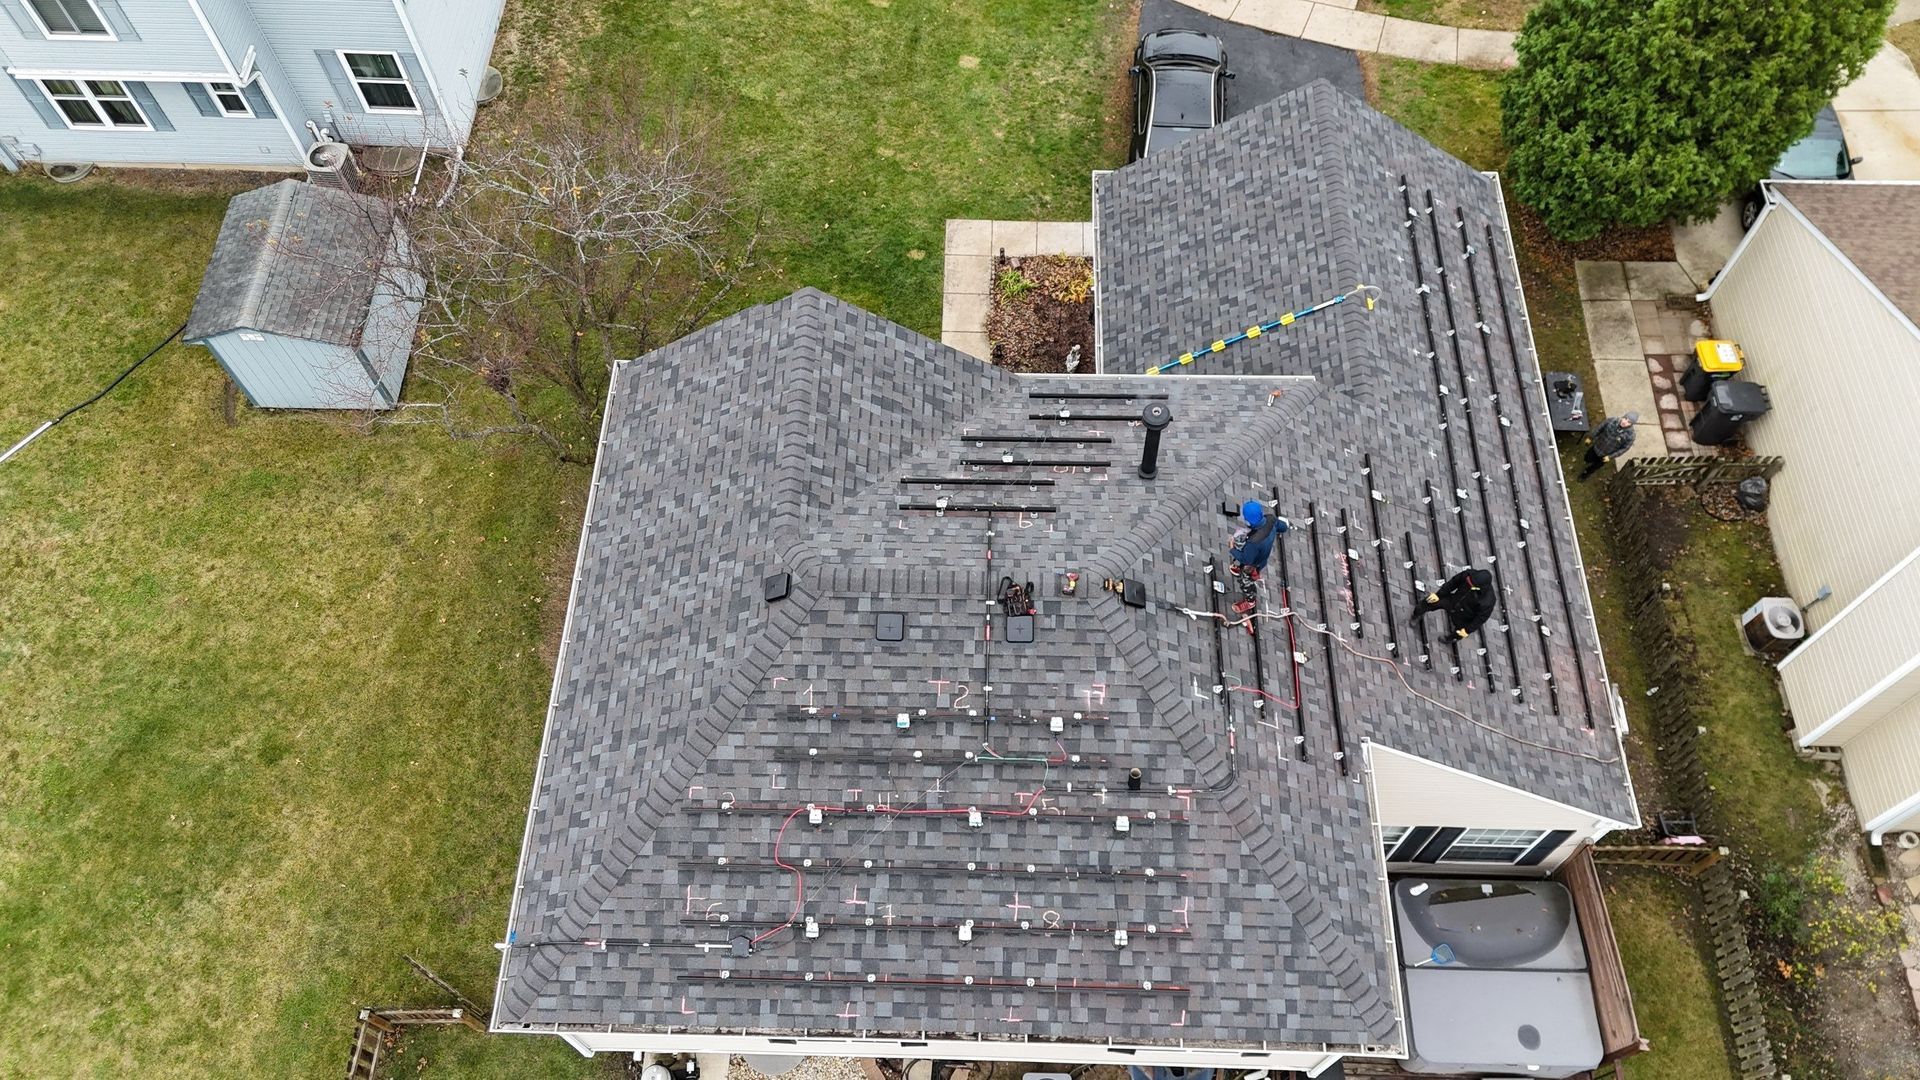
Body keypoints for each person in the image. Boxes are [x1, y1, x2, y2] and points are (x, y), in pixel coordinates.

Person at [1229, 500, 1289, 614]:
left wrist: (1232, 548)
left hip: (1254, 564)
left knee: (1245, 580)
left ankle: (1250, 601)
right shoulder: (1270, 519)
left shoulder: (1254, 543)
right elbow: (1282, 526)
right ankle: (1241, 570)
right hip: (1260, 556)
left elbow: (1246, 559)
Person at [1409, 567, 1497, 640]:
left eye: (1471, 583)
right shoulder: (1469, 574)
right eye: (1469, 581)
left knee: (1460, 632)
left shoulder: (1488, 601)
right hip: (1453, 600)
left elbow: (1480, 619)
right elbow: (1453, 583)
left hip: (1465, 615)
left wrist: (1467, 630)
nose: (1468, 582)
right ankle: (1417, 614)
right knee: (1429, 601)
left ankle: (1450, 639)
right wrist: (1439, 595)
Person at [1578, 412, 1638, 481]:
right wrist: (1591, 437)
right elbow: (1599, 428)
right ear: (1623, 417)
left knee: (1595, 466)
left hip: (1606, 455)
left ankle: (1585, 474)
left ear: (1631, 424)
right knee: (1587, 458)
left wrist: (1610, 457)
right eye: (1625, 418)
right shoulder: (1611, 421)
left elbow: (1624, 449)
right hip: (1597, 446)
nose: (1625, 422)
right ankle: (1588, 460)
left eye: (1629, 422)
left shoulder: (1630, 436)